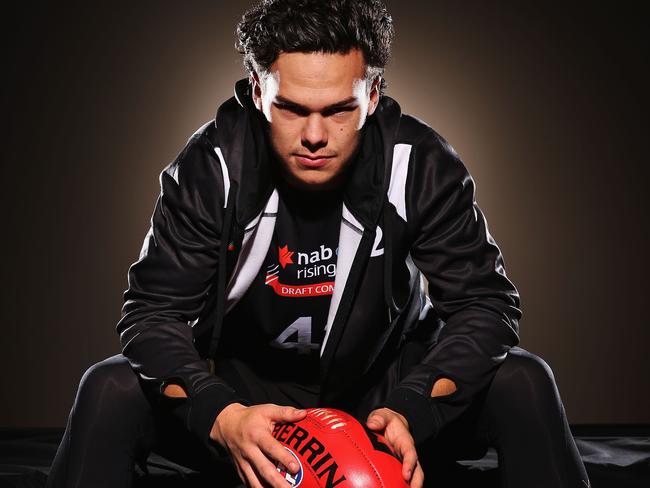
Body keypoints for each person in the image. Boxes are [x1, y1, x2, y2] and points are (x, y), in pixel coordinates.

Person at [46, 1, 591, 487]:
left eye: (338, 110)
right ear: (258, 92)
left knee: (524, 379)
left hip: (381, 402)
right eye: (291, 108)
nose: (313, 136)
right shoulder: (212, 168)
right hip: (247, 405)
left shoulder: (418, 163)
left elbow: (485, 305)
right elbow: (153, 314)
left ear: (373, 95)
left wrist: (412, 409)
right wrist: (222, 415)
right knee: (109, 388)